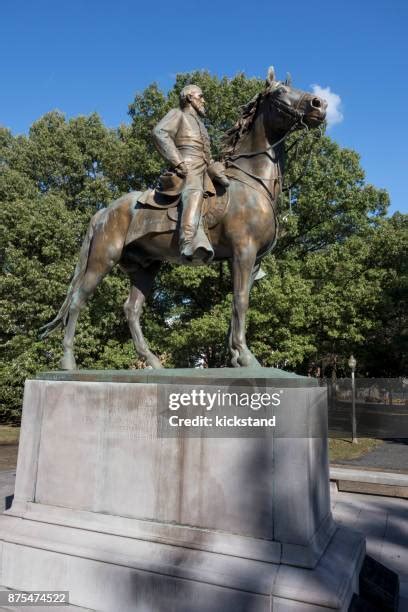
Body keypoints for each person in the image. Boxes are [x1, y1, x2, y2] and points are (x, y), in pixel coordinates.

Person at [152, 84, 229, 263]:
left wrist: (215, 166)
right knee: (194, 191)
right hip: (188, 166)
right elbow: (159, 132)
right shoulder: (177, 114)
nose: (203, 100)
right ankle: (188, 240)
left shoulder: (201, 124)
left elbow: (204, 153)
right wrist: (178, 161)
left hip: (204, 167)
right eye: (200, 96)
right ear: (189, 98)